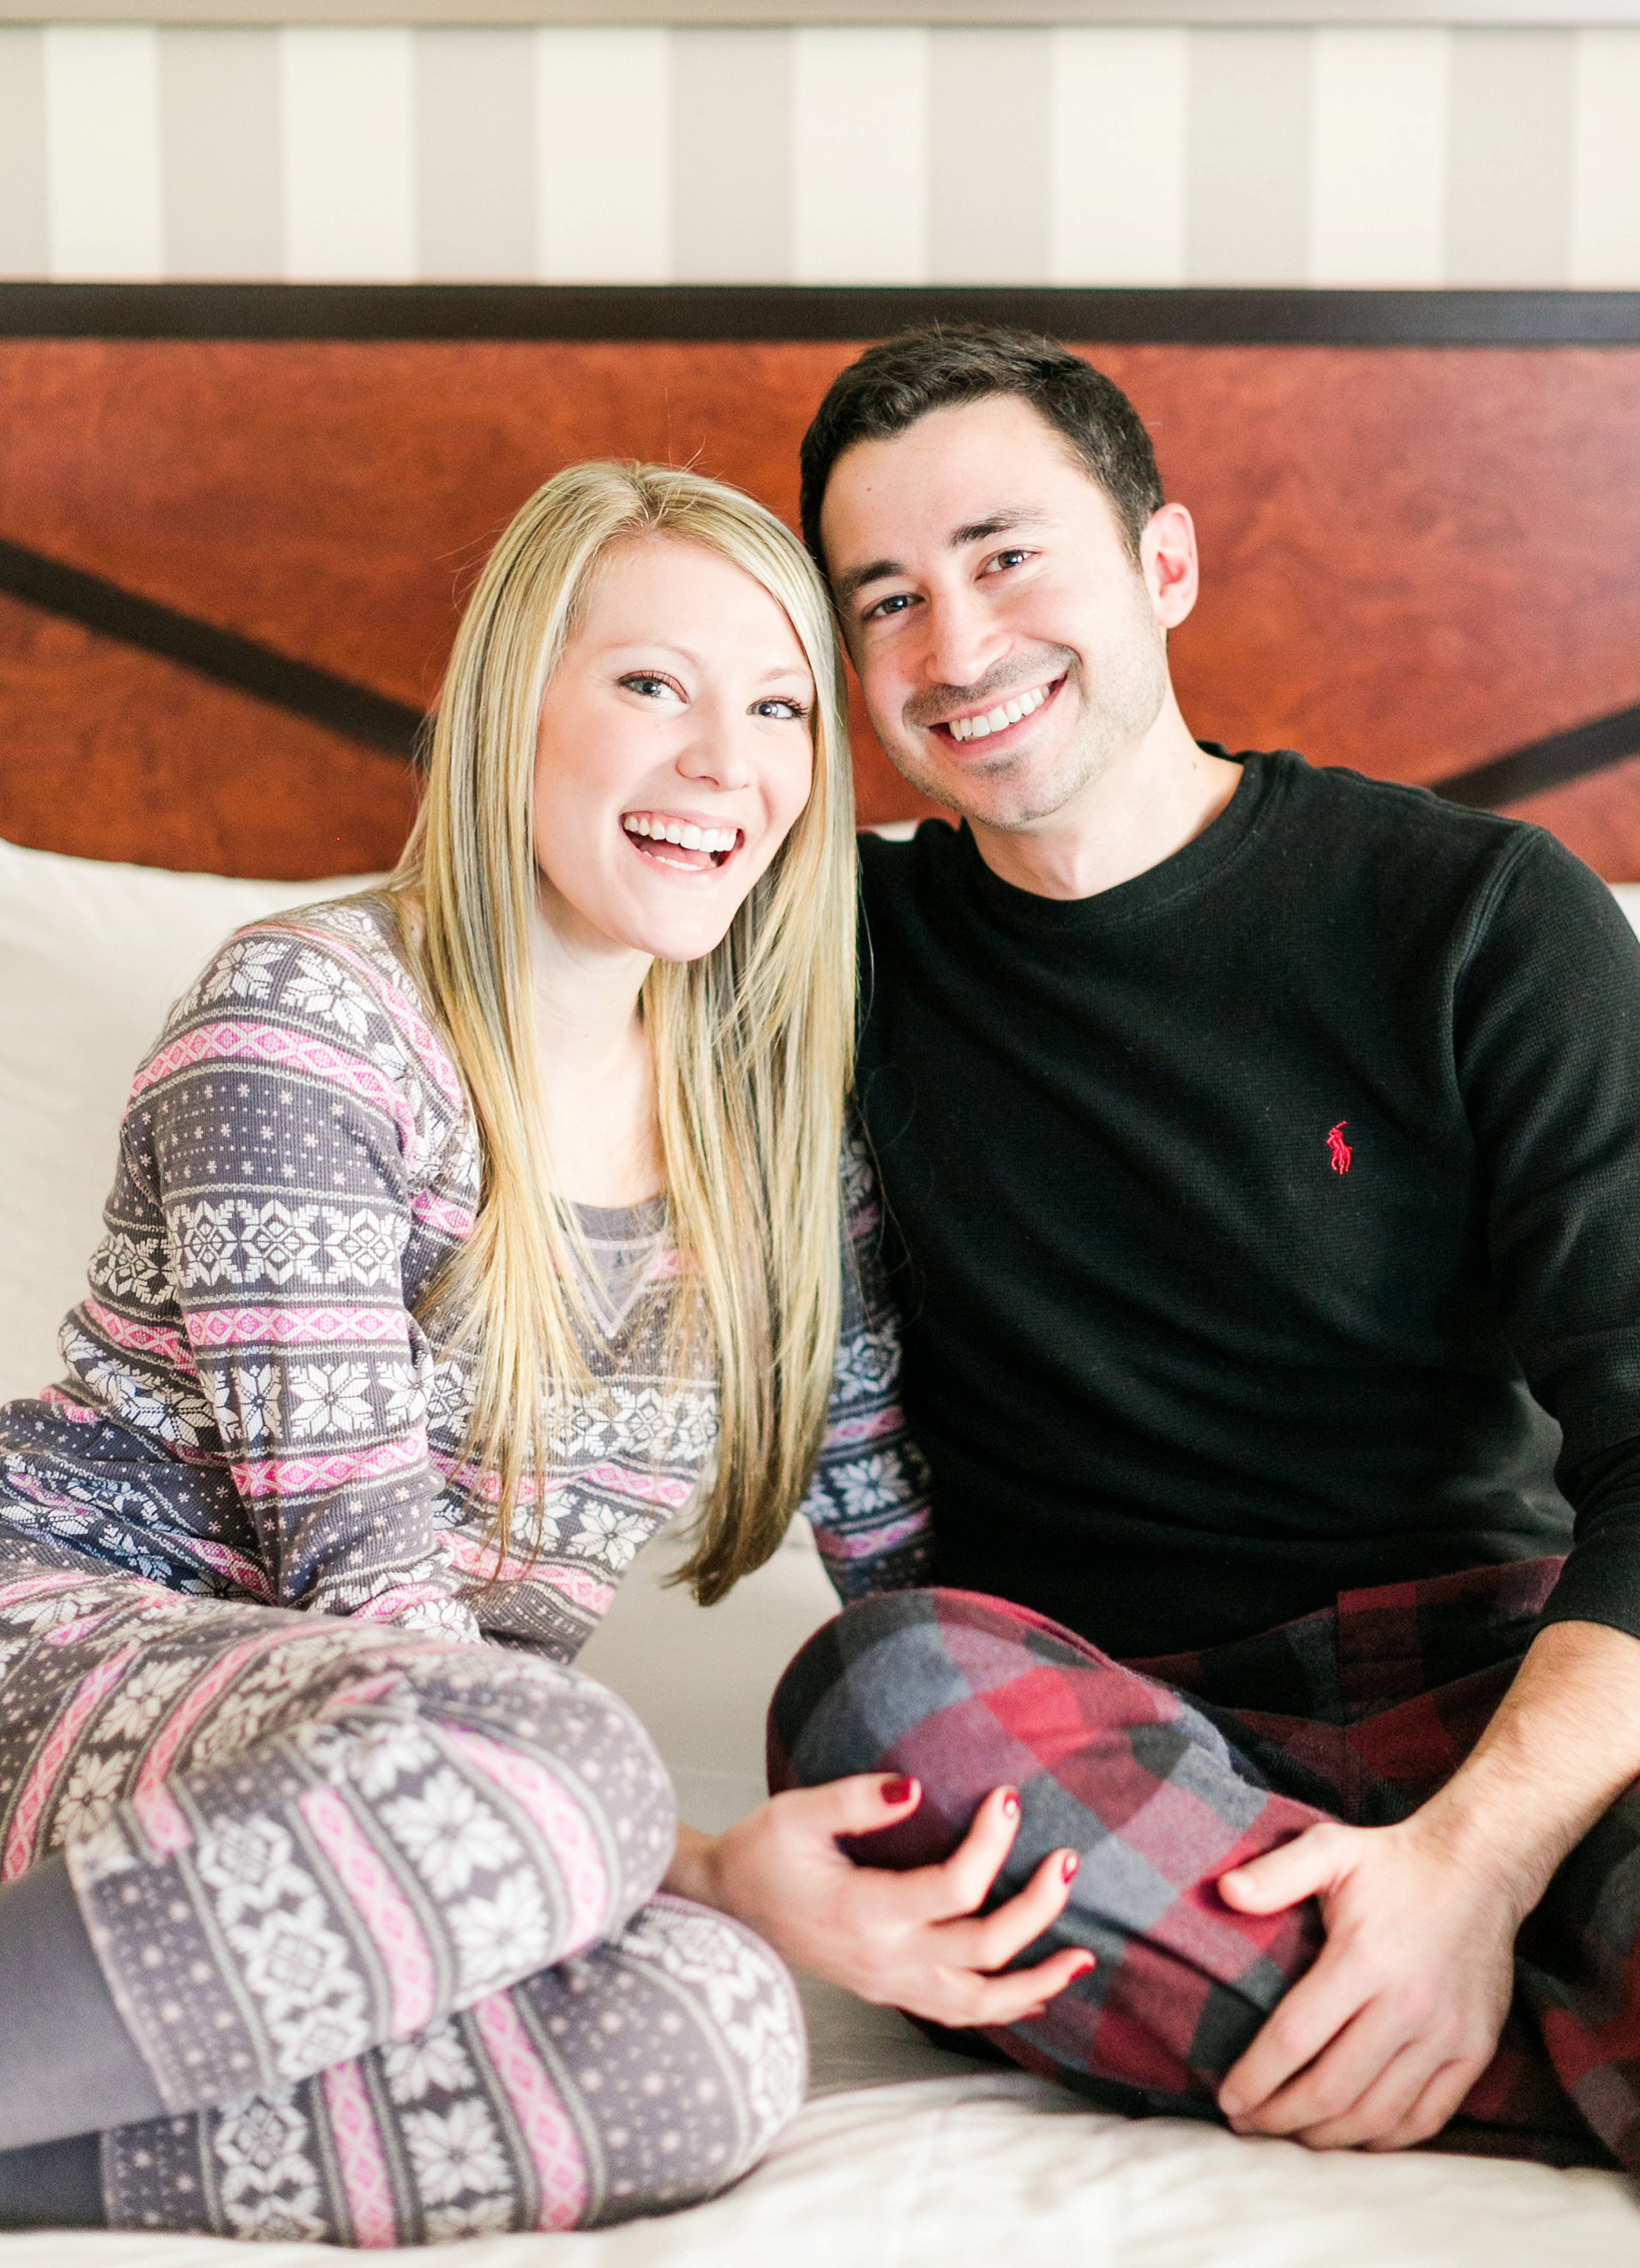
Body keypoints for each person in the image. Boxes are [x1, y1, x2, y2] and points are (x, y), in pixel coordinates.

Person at [0, 460, 1086, 2248]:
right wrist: (716, 1860)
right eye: (653, 682)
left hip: (429, 1812)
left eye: (780, 706)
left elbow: (920, 1582)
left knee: (713, 2041)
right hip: (66, 1674)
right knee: (578, 1766)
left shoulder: (777, 1147)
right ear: (515, 708)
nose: (727, 763)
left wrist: (1040, 1825)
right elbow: (379, 1620)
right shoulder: (308, 1027)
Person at [759, 325, 1640, 2266]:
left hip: (1529, 1675)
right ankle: (1609, 2026)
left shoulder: (1473, 912)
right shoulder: (817, 963)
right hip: (1125, 1723)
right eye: (885, 597)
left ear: (1162, 565)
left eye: (1005, 552)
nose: (955, 645)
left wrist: (1472, 1862)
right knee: (880, 1697)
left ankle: (1492, 1971)